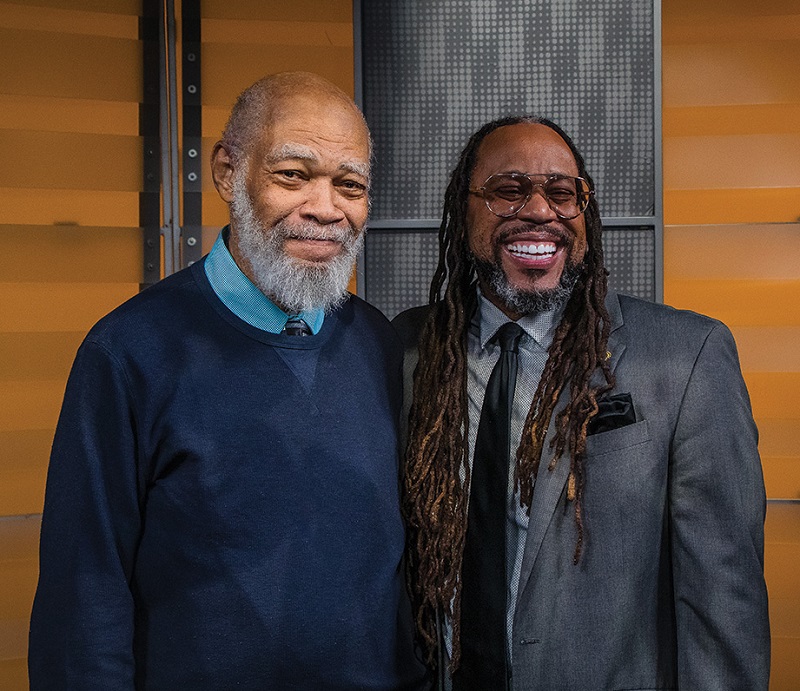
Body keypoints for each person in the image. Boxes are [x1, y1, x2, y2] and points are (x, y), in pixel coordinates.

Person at [29, 72, 428, 690]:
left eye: (350, 185)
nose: (325, 209)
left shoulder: (378, 344)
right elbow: (84, 597)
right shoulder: (130, 352)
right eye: (293, 175)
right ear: (227, 172)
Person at [393, 116, 770, 690]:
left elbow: (724, 598)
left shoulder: (687, 356)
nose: (541, 210)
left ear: (584, 216)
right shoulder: (408, 352)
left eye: (562, 193)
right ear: (464, 209)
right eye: (509, 189)